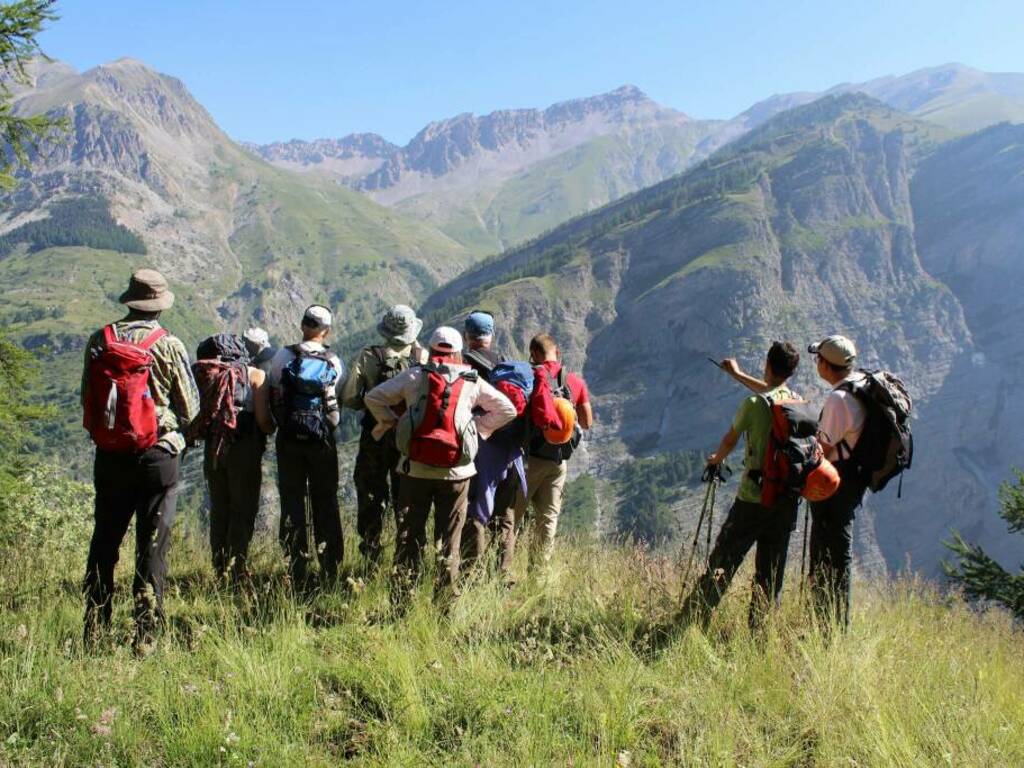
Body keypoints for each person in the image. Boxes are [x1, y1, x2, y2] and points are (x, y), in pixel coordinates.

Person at [81, 268, 200, 653]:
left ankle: (94, 629)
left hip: (111, 454)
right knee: (152, 544)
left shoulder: (100, 340)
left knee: (105, 540)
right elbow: (191, 407)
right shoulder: (168, 345)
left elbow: (87, 399)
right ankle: (145, 634)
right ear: (159, 306)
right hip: (157, 455)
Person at [364, 326, 516, 604]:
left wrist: (393, 423)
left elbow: (373, 398)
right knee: (450, 539)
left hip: (414, 468)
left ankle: (403, 600)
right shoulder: (471, 381)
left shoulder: (414, 376)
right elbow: (508, 409)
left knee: (409, 533)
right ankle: (445, 603)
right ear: (459, 353)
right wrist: (478, 429)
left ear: (432, 350)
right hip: (457, 472)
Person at [679, 341, 802, 629]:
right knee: (770, 574)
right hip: (786, 501)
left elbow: (730, 439)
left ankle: (692, 621)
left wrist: (715, 459)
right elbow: (769, 392)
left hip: (754, 498)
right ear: (791, 372)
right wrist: (737, 374)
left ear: (767, 365)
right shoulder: (795, 401)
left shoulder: (753, 404)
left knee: (724, 560)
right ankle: (760, 634)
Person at [497, 332, 593, 575]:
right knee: (547, 521)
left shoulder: (529, 377)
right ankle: (538, 578)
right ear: (557, 352)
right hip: (558, 461)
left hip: (528, 461)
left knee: (513, 518)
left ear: (535, 354)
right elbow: (587, 422)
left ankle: (501, 572)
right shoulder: (575, 381)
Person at [342, 305, 427, 569]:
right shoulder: (421, 356)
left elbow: (350, 397)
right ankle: (408, 560)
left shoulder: (370, 356)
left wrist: (373, 406)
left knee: (370, 495)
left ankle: (371, 558)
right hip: (410, 439)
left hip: (375, 437)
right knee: (408, 498)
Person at [268, 305, 345, 589]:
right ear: (326, 331)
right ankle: (330, 566)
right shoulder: (334, 360)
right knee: (325, 500)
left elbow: (275, 390)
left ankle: (296, 566)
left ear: (302, 325)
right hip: (321, 439)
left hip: (289, 438)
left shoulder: (282, 356)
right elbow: (340, 394)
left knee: (292, 499)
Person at [189, 334, 275, 584]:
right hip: (244, 449)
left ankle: (220, 568)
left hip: (214, 448)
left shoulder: (208, 374)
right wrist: (272, 428)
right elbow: (264, 422)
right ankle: (238, 570)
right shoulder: (255, 375)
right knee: (243, 508)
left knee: (220, 508)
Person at [458, 310, 530, 575]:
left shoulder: (463, 365)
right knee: (504, 513)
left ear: (467, 336)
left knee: (476, 510)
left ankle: (469, 572)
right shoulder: (506, 365)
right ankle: (503, 574)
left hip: (480, 449)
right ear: (491, 336)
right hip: (511, 451)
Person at [807, 334, 866, 629]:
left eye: (818, 358)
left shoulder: (838, 399)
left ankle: (828, 626)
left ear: (825, 364)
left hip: (834, 487)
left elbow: (823, 449)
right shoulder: (861, 387)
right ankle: (833, 623)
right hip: (854, 481)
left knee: (827, 555)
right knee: (838, 553)